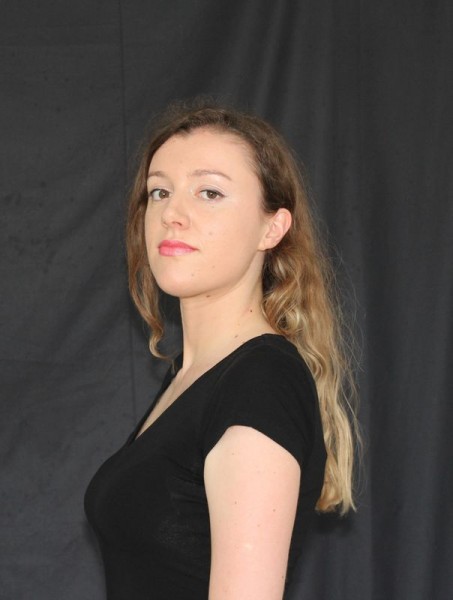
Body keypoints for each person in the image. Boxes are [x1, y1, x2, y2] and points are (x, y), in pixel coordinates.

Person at [84, 100, 359, 600]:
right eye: (159, 191)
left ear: (272, 228)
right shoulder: (194, 375)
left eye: (209, 192)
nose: (172, 214)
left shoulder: (261, 382)